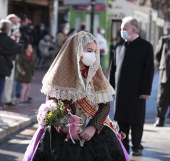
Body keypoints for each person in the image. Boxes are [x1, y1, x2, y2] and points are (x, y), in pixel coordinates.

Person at [23, 31, 130, 161]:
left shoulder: (96, 76)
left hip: (94, 134)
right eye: (89, 51)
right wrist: (65, 127)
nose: (93, 55)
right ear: (77, 50)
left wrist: (93, 127)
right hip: (64, 136)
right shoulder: (59, 76)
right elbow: (52, 105)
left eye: (95, 51)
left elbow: (105, 105)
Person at [109, 16, 154, 156]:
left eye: (124, 29)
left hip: (137, 91)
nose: (121, 31)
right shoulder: (119, 46)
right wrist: (110, 88)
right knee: (121, 119)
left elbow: (149, 70)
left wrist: (146, 90)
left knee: (136, 120)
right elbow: (113, 69)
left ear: (133, 30)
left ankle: (136, 146)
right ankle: (123, 145)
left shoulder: (146, 46)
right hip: (121, 91)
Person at [0, 19, 23, 109]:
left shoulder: (7, 39)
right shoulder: (7, 40)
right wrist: (19, 39)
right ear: (8, 29)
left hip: (3, 65)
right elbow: (18, 48)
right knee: (1, 84)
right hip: (3, 66)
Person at [154, 34, 170, 127]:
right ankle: (160, 119)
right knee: (162, 98)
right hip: (166, 74)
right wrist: (162, 66)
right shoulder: (165, 40)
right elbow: (157, 56)